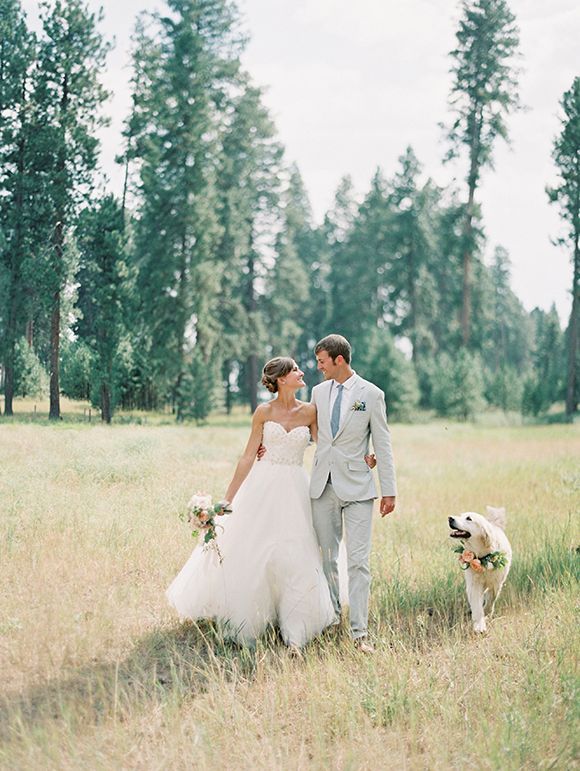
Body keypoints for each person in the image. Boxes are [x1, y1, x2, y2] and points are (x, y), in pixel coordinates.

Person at [166, 357, 336, 649]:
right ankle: (252, 620)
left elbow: (326, 449)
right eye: (295, 369)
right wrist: (227, 500)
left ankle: (297, 630)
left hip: (296, 489)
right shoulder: (263, 412)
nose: (301, 372)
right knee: (254, 550)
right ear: (281, 378)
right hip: (262, 486)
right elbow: (247, 457)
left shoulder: (310, 412)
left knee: (298, 554)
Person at [310, 334, 397, 654]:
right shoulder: (317, 392)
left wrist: (389, 491)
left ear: (339, 360)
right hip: (323, 486)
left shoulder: (371, 395)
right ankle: (332, 618)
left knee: (359, 563)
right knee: (326, 558)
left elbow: (383, 445)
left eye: (322, 362)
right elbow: (310, 430)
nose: (318, 368)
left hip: (359, 488)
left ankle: (360, 633)